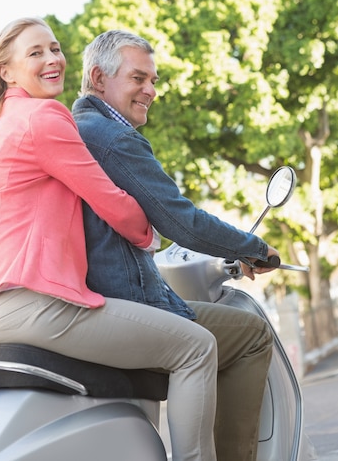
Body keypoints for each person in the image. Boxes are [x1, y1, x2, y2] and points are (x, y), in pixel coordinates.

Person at [0, 17, 227, 461]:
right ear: (6, 72)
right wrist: (147, 235)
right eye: (36, 53)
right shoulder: (46, 116)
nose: (53, 59)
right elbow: (113, 202)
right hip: (24, 308)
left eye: (55, 49)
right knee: (196, 347)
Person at [72, 29, 282, 461]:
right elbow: (180, 221)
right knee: (252, 334)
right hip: (129, 302)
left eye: (153, 80)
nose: (150, 90)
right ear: (98, 78)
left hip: (100, 297)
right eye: (137, 78)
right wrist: (254, 247)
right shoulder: (110, 138)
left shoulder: (78, 130)